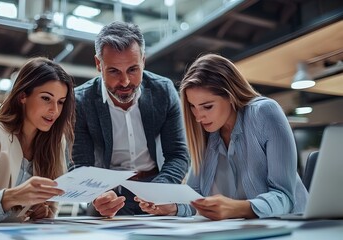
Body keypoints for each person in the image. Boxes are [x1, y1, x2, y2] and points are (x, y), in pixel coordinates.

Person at [136, 53, 308, 220]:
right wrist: (173, 208)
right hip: (246, 231)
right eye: (193, 107)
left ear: (230, 96)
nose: (198, 117)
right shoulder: (206, 133)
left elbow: (284, 196)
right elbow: (196, 196)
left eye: (207, 106)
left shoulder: (264, 112)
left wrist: (236, 208)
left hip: (297, 228)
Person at [72, 21, 190, 217]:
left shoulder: (164, 91)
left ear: (143, 60)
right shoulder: (80, 101)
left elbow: (178, 154)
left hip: (157, 185)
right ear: (98, 64)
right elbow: (80, 163)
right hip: (107, 194)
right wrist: (96, 195)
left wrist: (159, 190)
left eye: (133, 69)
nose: (125, 81)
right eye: (114, 71)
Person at [0, 57, 75, 225]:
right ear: (23, 96)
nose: (54, 110)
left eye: (60, 102)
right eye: (46, 98)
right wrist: (10, 197)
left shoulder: (55, 141)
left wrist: (44, 212)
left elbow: (51, 209)